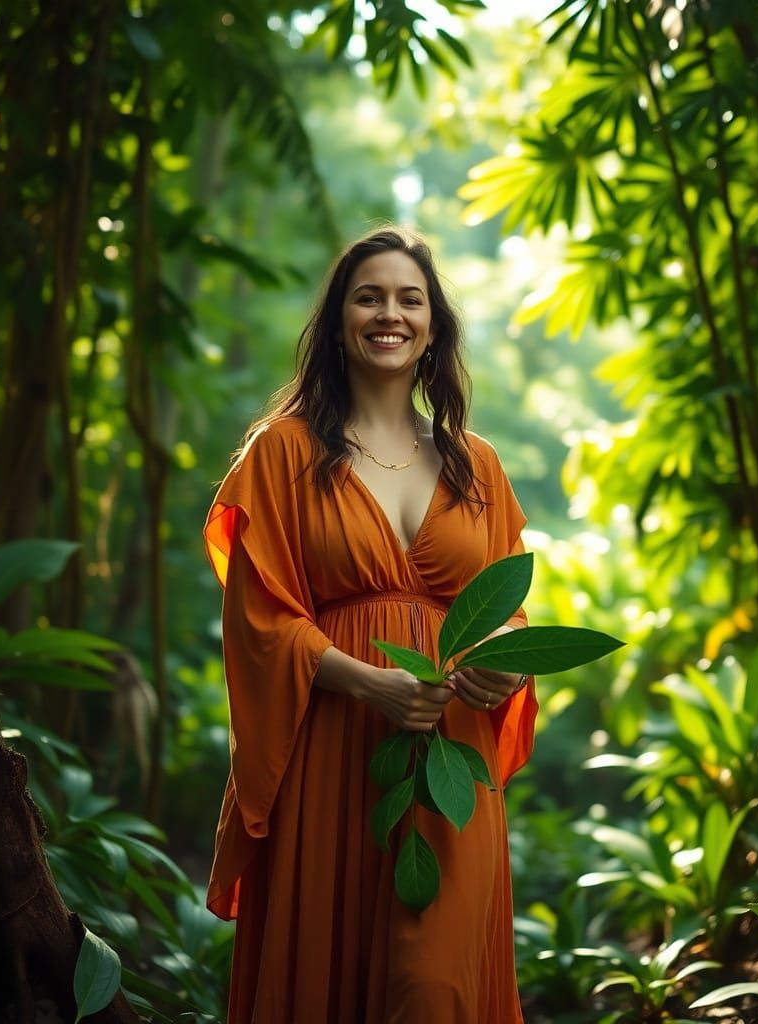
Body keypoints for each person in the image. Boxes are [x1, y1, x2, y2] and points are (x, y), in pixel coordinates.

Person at [203, 227, 538, 1023]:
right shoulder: (282, 453)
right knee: (329, 970)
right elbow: (257, 620)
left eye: (409, 299)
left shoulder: (478, 465)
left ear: (434, 328)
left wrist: (508, 657)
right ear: (337, 324)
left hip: (451, 756)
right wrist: (367, 684)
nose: (390, 313)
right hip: (329, 745)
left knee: (435, 985)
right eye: (369, 297)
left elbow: (508, 604)